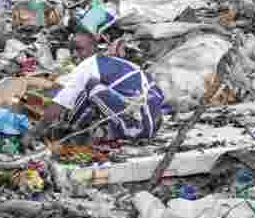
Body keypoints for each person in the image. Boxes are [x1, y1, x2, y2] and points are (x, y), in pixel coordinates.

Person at [41, 31, 169, 140]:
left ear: (93, 48)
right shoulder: (117, 62)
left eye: (79, 49)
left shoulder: (88, 66)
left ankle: (71, 130)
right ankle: (75, 129)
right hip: (155, 122)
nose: (75, 54)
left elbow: (60, 104)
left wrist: (35, 131)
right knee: (89, 93)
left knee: (90, 88)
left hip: (140, 127)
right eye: (72, 50)